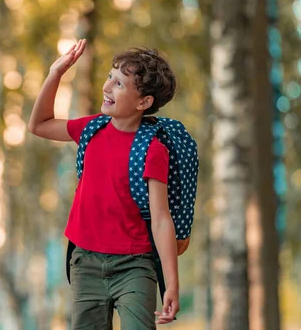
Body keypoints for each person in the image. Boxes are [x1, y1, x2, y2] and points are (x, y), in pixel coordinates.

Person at [28, 40, 189, 328]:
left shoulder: (152, 149)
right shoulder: (91, 128)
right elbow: (39, 124)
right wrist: (55, 74)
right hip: (85, 263)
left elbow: (161, 220)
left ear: (144, 102)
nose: (107, 87)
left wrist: (172, 285)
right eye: (109, 77)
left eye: (119, 84)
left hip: (134, 266)